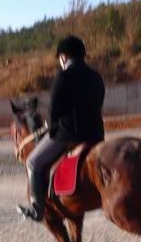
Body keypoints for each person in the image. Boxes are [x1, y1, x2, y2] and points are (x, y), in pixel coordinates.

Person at [17, 35, 106, 222]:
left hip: (69, 134)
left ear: (63, 57)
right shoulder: (96, 76)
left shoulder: (64, 76)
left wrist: (51, 128)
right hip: (96, 134)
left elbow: (55, 110)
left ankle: (37, 209)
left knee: (33, 162)